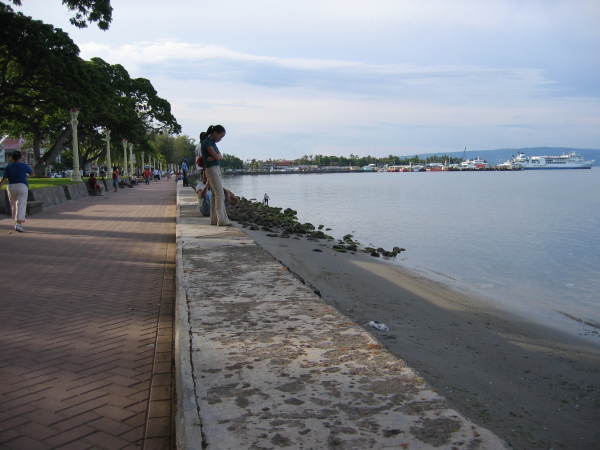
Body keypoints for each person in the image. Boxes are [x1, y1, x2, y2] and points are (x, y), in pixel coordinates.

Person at [200, 125, 231, 226]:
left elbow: (219, 156)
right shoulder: (207, 142)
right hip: (212, 169)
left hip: (216, 168)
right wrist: (216, 157)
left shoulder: (212, 143)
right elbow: (217, 156)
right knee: (220, 194)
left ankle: (214, 219)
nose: (220, 139)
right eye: (220, 136)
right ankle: (221, 219)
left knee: (214, 194)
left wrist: (217, 157)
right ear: (215, 133)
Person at [0, 150, 33, 232]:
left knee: (13, 204)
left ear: (12, 158)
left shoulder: (8, 167)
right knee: (21, 204)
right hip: (22, 186)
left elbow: (4, 179)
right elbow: (32, 173)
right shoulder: (24, 165)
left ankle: (16, 220)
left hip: (11, 186)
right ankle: (18, 224)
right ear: (20, 157)